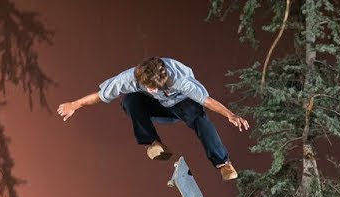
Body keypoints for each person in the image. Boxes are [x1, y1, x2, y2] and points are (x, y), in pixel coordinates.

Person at [58, 57, 250, 181]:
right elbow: (100, 96)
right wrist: (74, 105)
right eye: (148, 87)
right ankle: (152, 143)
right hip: (159, 108)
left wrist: (230, 115)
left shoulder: (181, 78)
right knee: (130, 100)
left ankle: (223, 163)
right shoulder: (129, 78)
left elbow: (207, 101)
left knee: (199, 117)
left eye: (155, 88)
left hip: (183, 105)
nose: (151, 90)